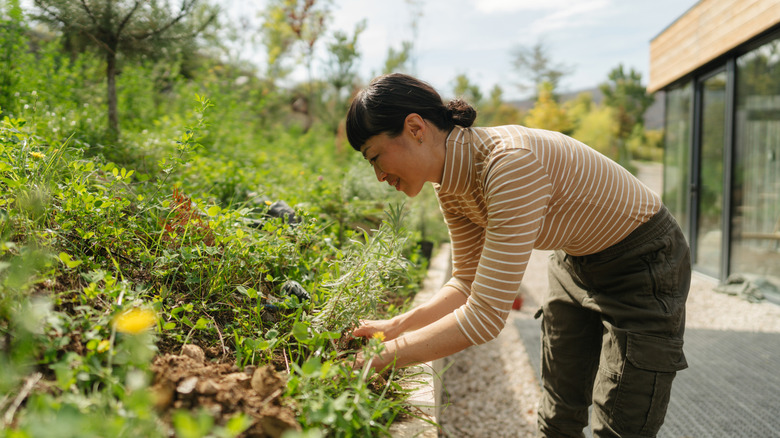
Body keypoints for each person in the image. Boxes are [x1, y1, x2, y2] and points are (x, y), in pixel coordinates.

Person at [347, 73, 690, 438]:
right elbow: (466, 281)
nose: (379, 175)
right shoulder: (448, 183)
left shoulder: (509, 164)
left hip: (643, 262)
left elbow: (485, 316)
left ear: (415, 128)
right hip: (574, 263)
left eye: (375, 157)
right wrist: (395, 327)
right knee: (557, 414)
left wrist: (385, 357)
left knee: (621, 424)